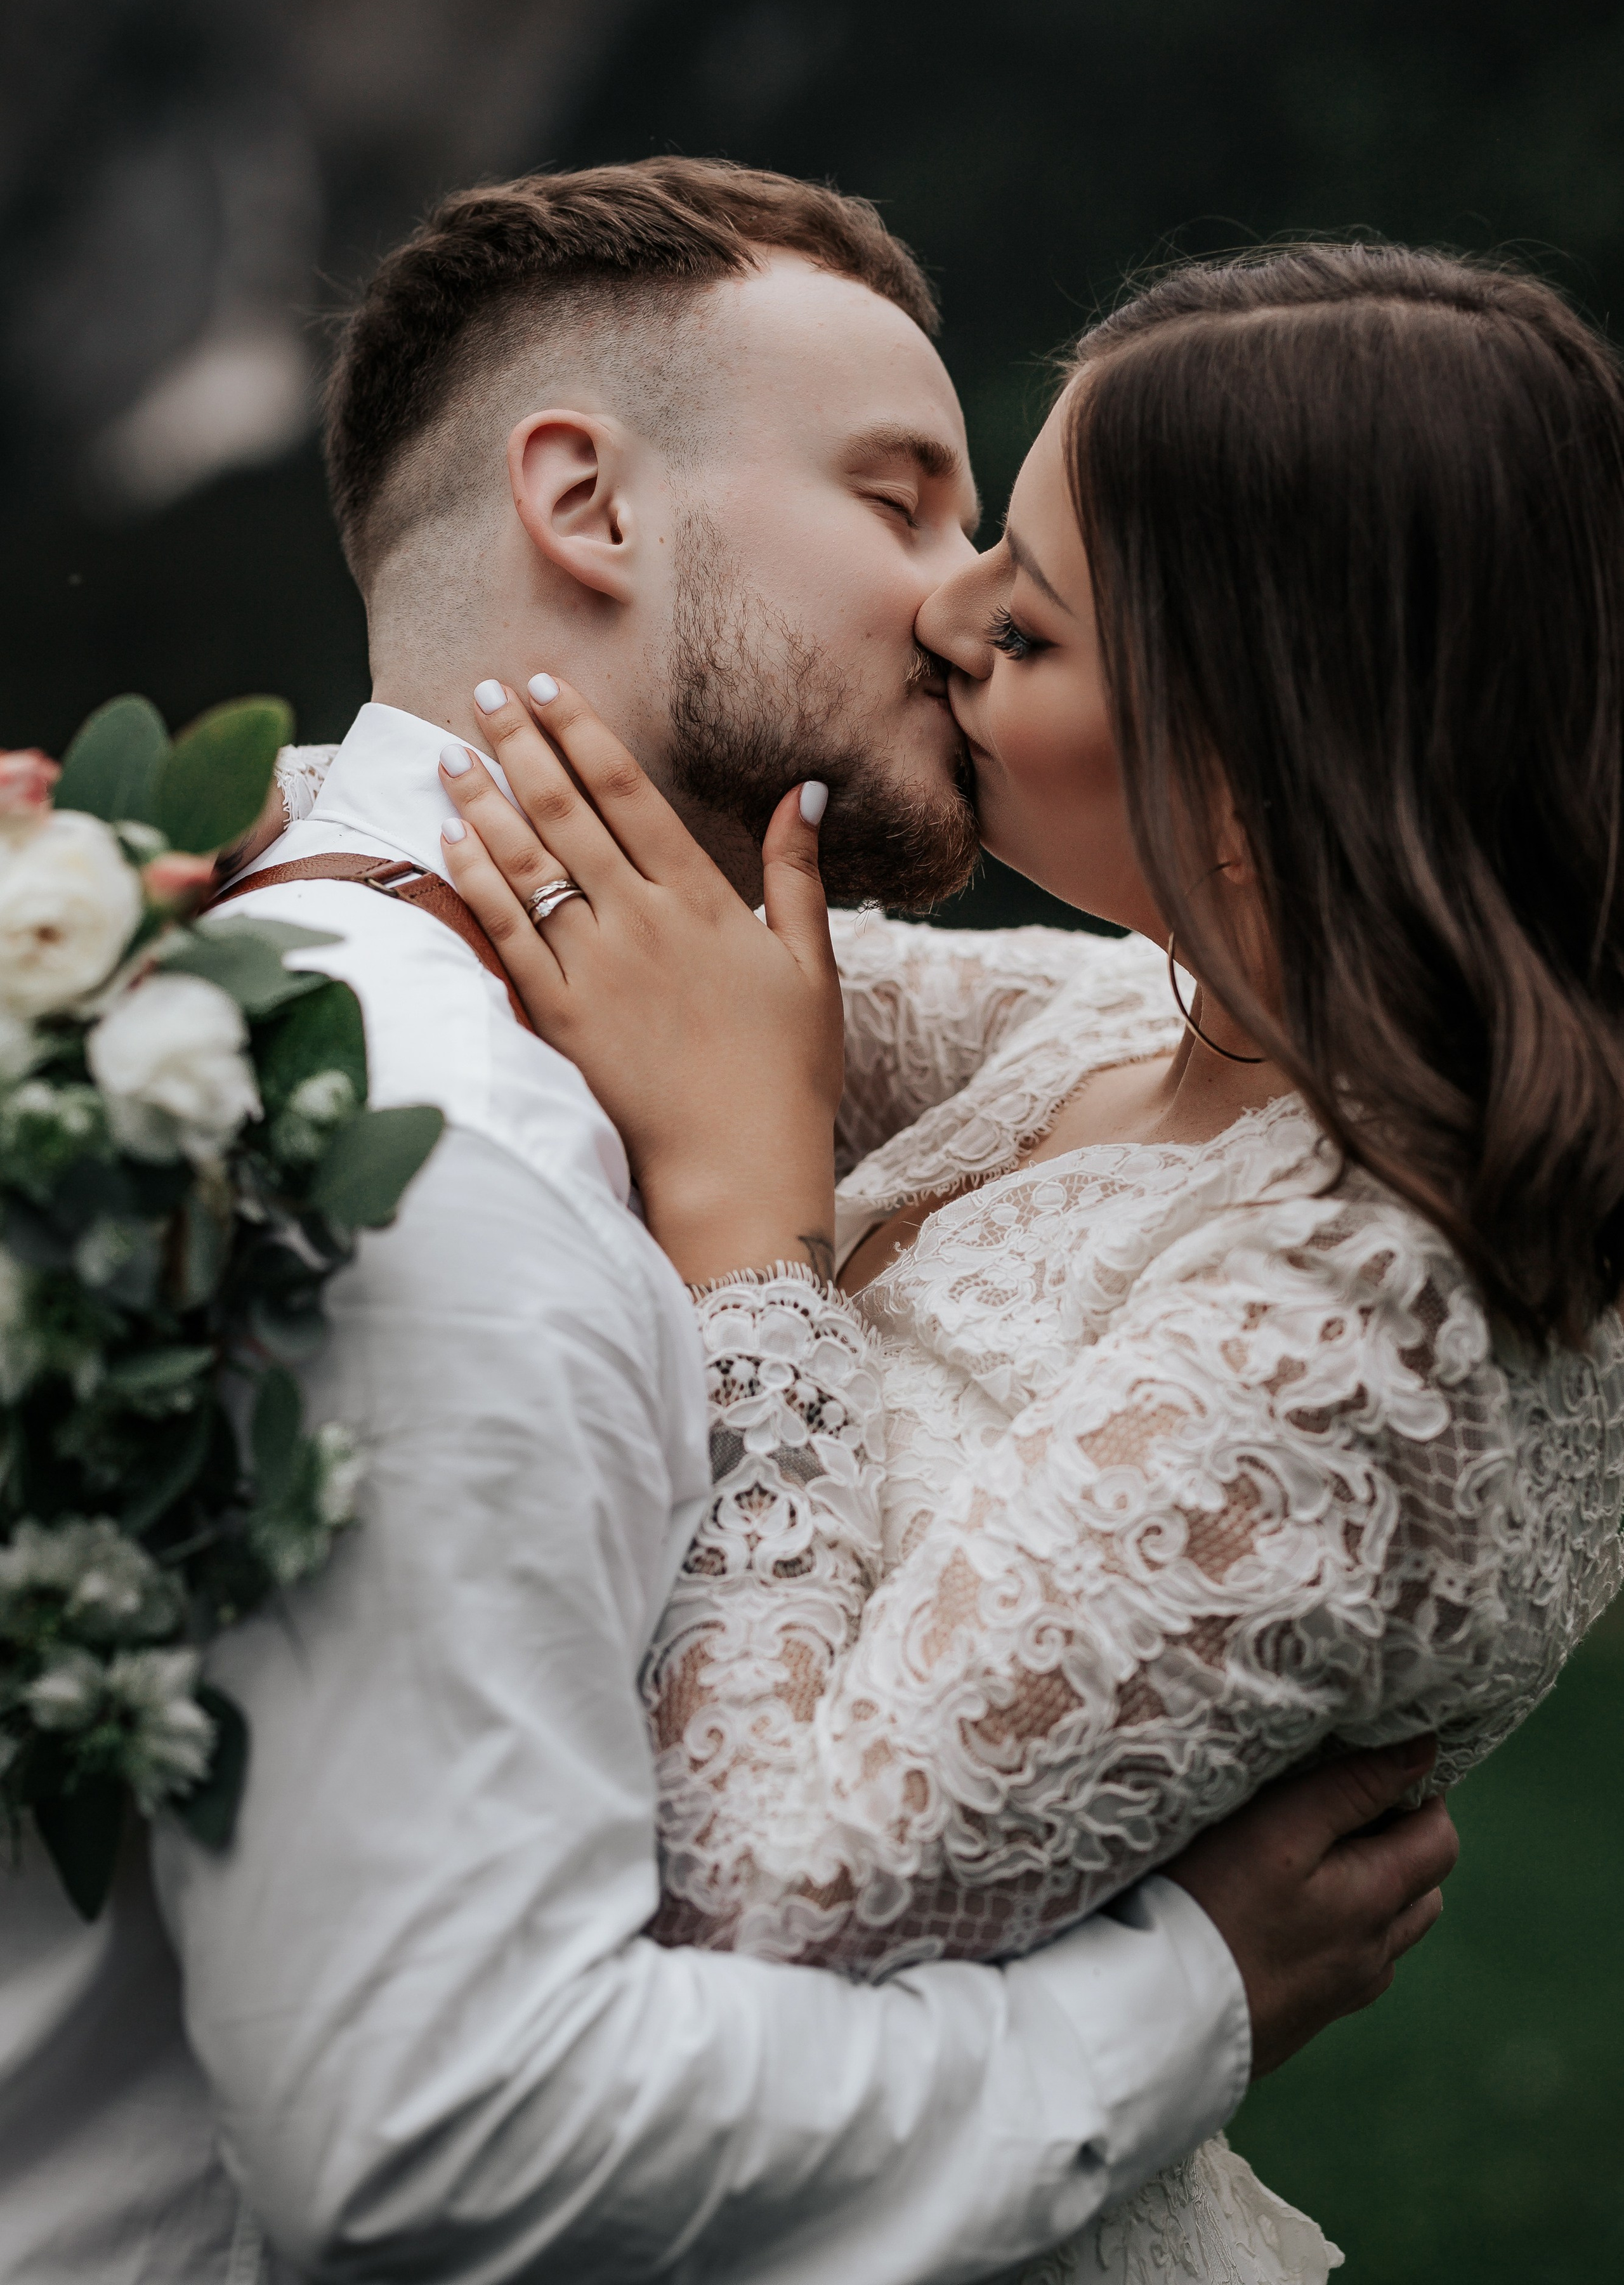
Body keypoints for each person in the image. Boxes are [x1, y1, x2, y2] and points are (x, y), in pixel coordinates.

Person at [0, 168, 1455, 2285]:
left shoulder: (210, 977)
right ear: (585, 504)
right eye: (901, 499)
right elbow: (442, 2136)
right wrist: (1185, 1998)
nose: (963, 609)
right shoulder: (436, 1166)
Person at [428, 239, 1624, 2281]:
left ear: (1257, 756)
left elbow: (765, 1903)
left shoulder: (1375, 1326)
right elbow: (655, 955)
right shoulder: (1142, 1031)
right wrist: (140, 874)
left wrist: (750, 1237)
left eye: (1032, 620)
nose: (946, 611)